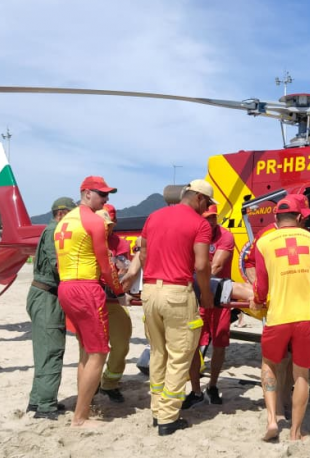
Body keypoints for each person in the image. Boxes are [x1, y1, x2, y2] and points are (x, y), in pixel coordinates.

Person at [139, 179, 215, 436]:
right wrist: (205, 295)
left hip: (150, 291)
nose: (206, 209)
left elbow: (143, 255)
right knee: (180, 354)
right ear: (200, 199)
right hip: (177, 293)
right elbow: (202, 266)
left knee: (158, 353)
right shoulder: (200, 224)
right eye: (206, 204)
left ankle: (157, 410)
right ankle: (169, 418)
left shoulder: (154, 217)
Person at [251, 194, 310, 442]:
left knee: (269, 364)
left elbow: (261, 285)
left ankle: (272, 420)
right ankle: (296, 432)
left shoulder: (264, 242)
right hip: (306, 316)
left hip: (278, 316)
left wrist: (259, 300)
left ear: (276, 217)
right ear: (300, 217)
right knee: (301, 374)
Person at [55, 176, 123, 428]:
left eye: (107, 195)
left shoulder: (65, 221)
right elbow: (105, 263)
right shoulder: (93, 221)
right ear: (86, 193)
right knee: (99, 353)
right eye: (102, 194)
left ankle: (82, 409)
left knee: (86, 350)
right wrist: (118, 290)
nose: (106, 200)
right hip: (86, 287)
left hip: (66, 286)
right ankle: (80, 417)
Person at [26, 197, 76, 420]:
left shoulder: (50, 229)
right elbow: (59, 265)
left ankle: (38, 400)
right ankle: (45, 405)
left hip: (43, 295)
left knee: (43, 349)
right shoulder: (55, 231)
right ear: (62, 214)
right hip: (47, 297)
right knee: (51, 351)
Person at [185, 204, 235, 408]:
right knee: (193, 343)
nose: (210, 221)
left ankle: (213, 385)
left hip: (219, 297)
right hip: (199, 295)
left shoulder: (225, 236)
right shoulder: (194, 234)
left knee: (220, 342)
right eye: (206, 218)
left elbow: (216, 266)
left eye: (213, 217)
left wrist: (199, 284)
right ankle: (196, 390)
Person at [97, 204, 133, 404]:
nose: (106, 228)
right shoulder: (87, 240)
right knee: (93, 347)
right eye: (103, 224)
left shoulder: (120, 243)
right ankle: (92, 384)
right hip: (93, 299)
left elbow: (123, 270)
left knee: (121, 344)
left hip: (113, 299)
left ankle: (110, 382)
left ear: (115, 224)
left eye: (109, 224)